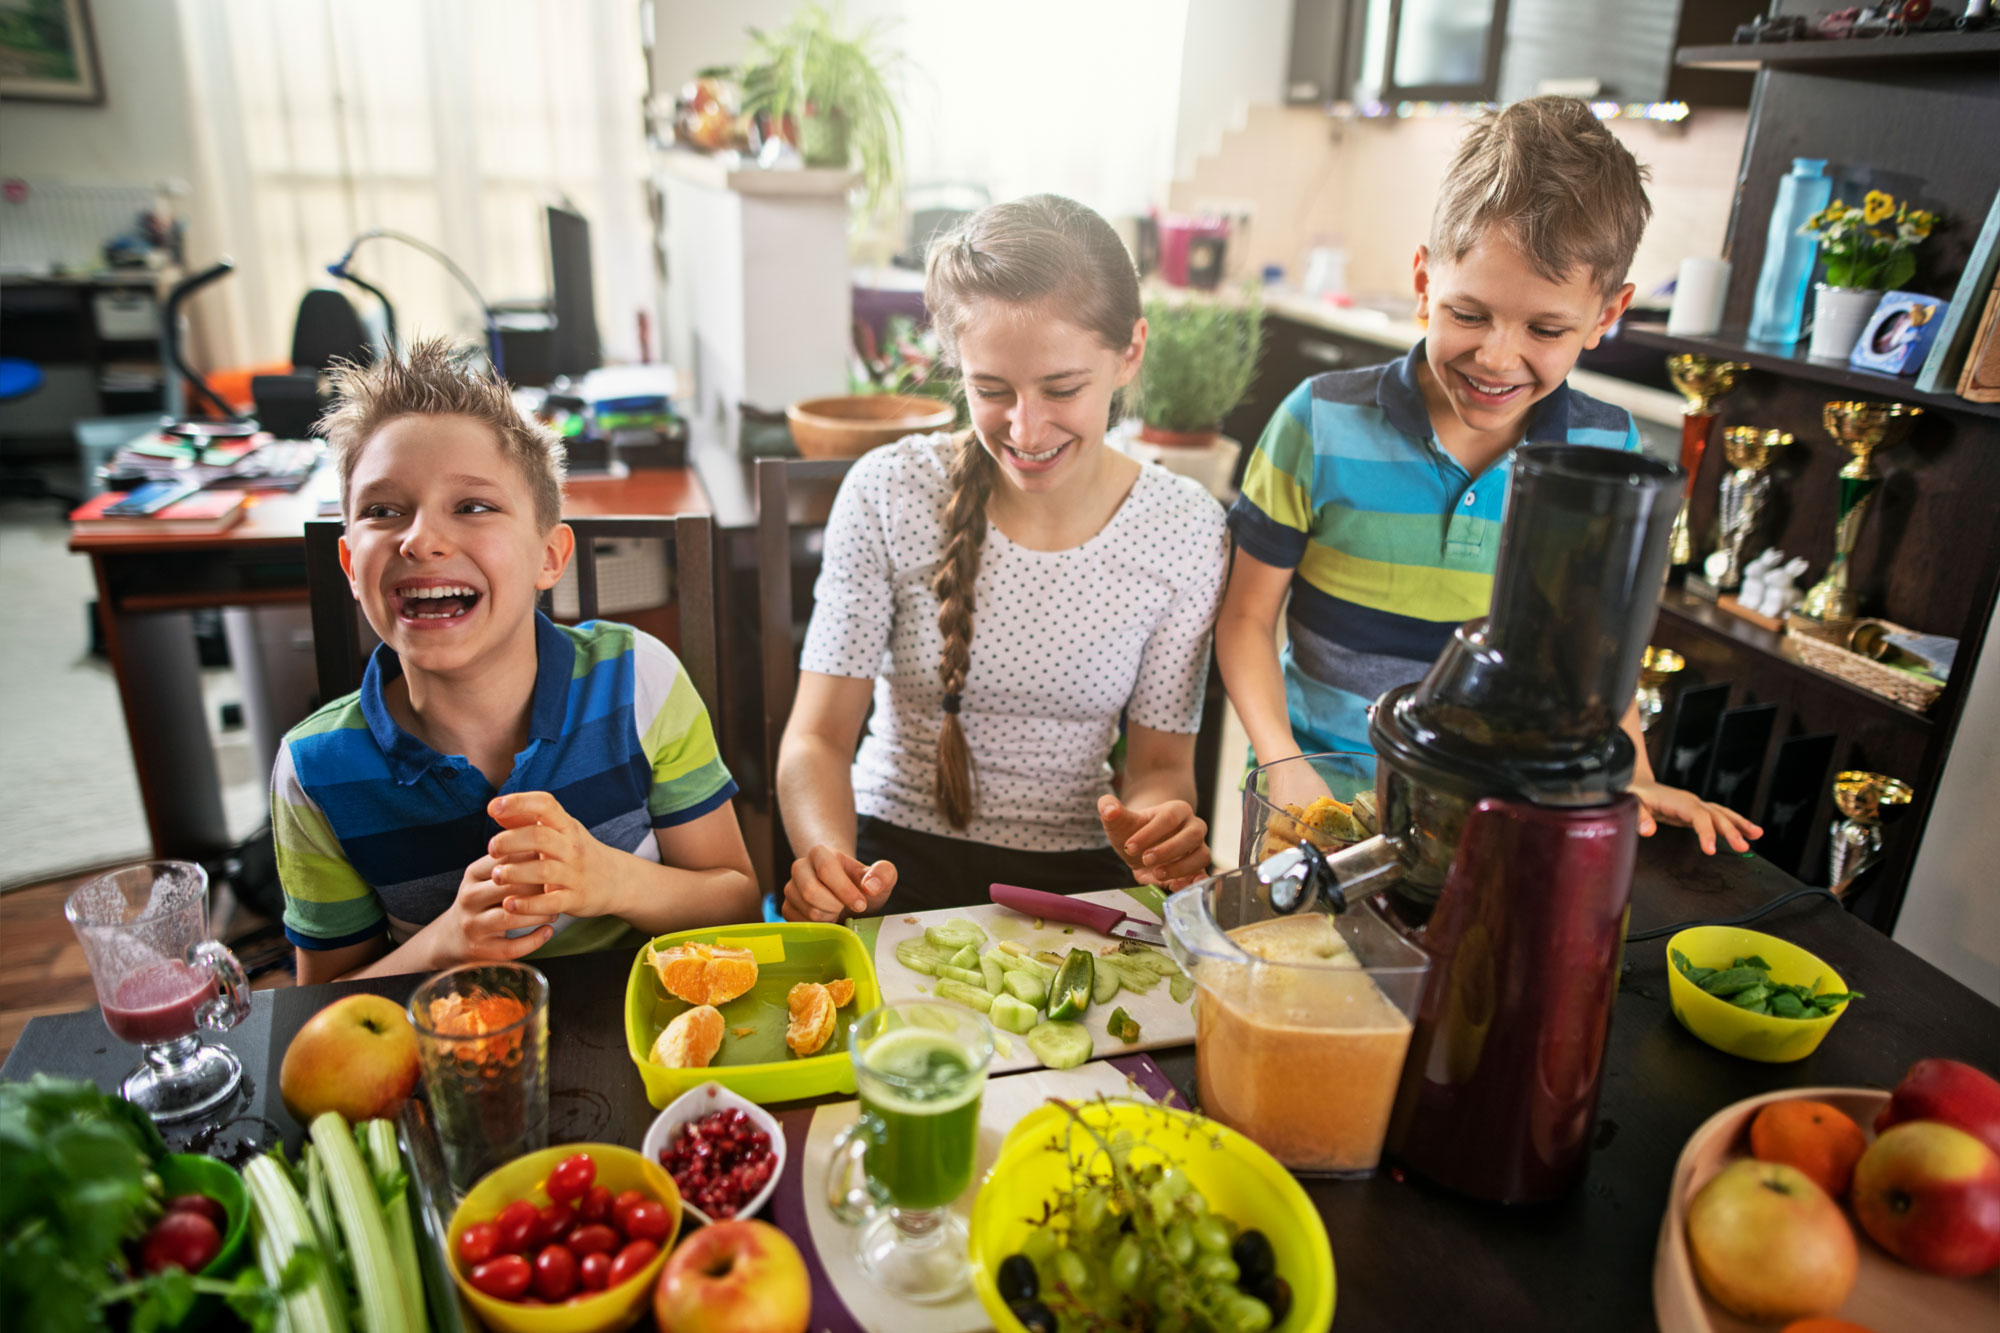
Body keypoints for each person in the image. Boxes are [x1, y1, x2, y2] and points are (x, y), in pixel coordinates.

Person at [1216, 97, 1760, 854]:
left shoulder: (1608, 450)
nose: (1498, 358)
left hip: (1492, 817)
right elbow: (1245, 619)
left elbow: (1593, 650)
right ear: (1422, 280)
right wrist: (1282, 762)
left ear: (1607, 315)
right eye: (1468, 314)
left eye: (1545, 329)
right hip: (1310, 797)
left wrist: (1633, 774)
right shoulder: (1318, 420)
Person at [779, 194, 1228, 920]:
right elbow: (818, 738)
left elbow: (1159, 768)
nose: (1025, 427)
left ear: (1130, 353)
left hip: (1087, 877)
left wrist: (1155, 830)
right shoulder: (890, 492)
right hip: (888, 859)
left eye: (1063, 388)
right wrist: (830, 862)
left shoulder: (1184, 530)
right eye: (991, 389)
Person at [273, 337, 758, 982]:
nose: (420, 540)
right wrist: (445, 943)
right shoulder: (314, 772)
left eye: (472, 506)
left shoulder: (640, 679)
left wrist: (608, 879)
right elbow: (327, 1003)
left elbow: (738, 902)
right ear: (350, 569)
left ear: (550, 557)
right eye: (384, 511)